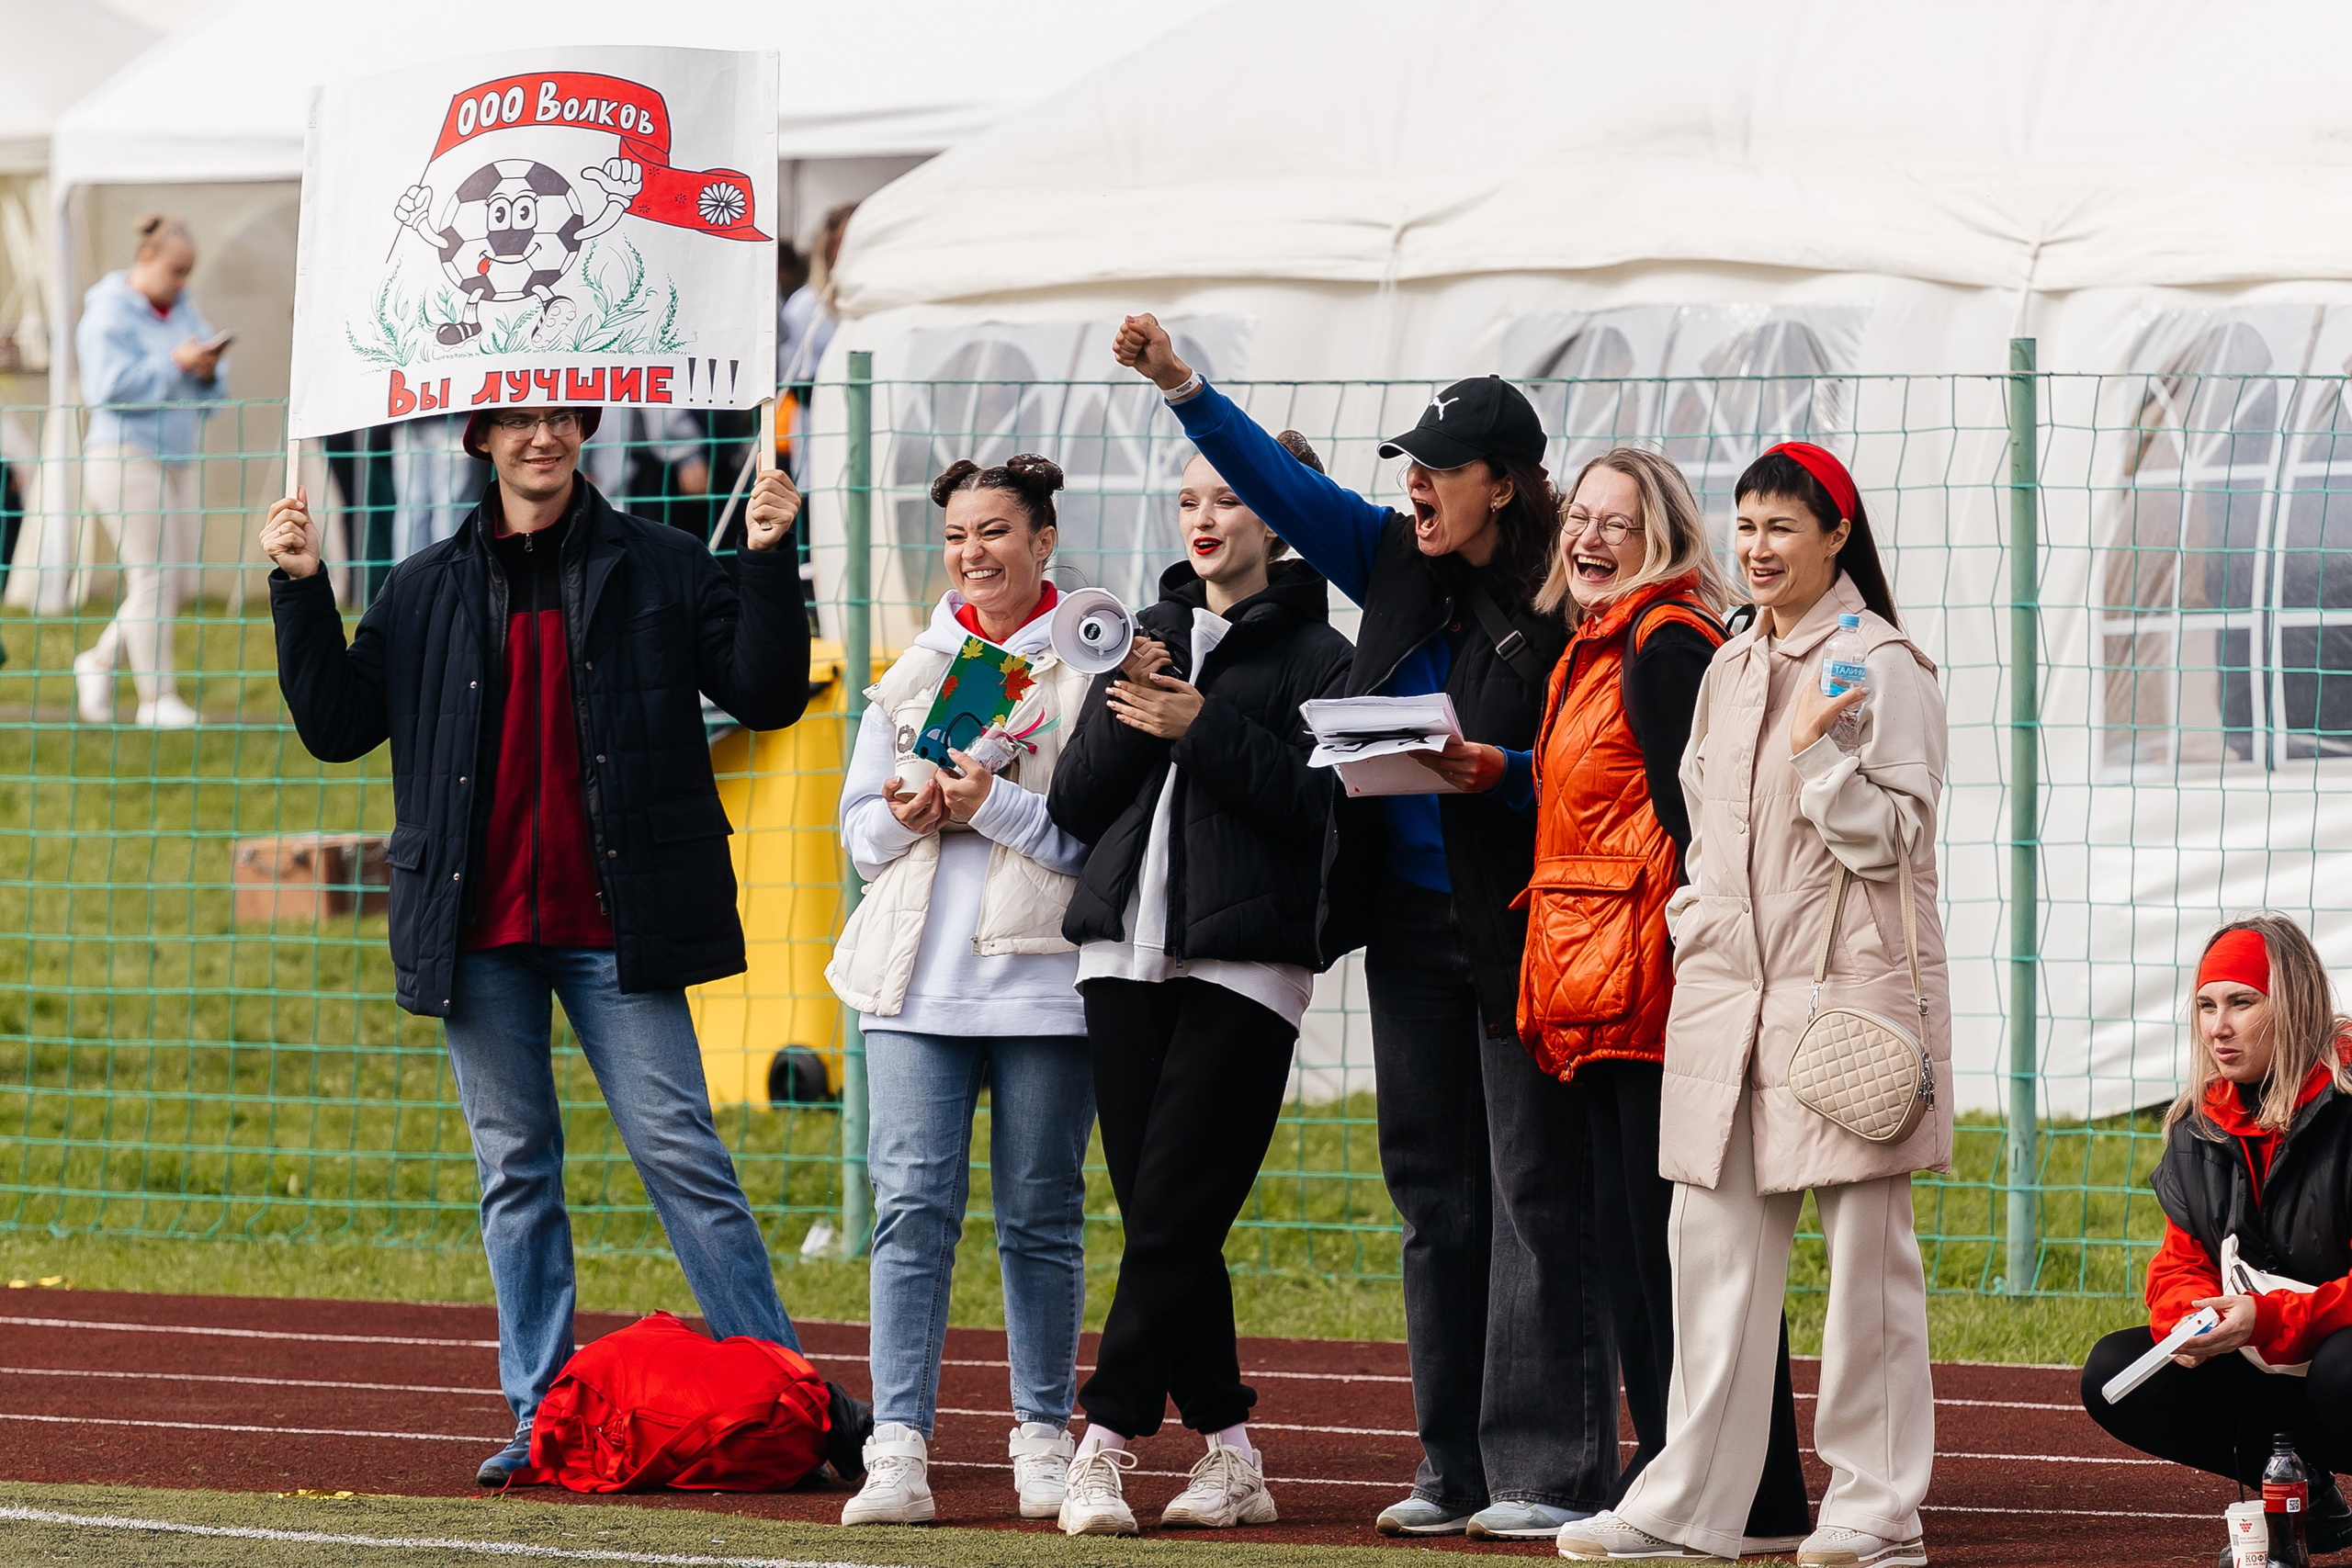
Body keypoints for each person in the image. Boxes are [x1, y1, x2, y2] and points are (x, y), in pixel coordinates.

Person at [257, 407, 830, 1488]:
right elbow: (336, 724)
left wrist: (767, 554)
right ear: (481, 441)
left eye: (562, 419)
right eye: (518, 422)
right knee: (515, 1171)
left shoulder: (662, 565)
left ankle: (784, 1394)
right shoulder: (424, 584)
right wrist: (298, 584)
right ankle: (539, 1416)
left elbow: (765, 692)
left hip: (619, 922)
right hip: (476, 932)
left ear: (583, 432)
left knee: (682, 1155)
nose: (542, 438)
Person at [1114, 314, 1610, 1543]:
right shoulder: (1387, 554)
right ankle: (1451, 1465)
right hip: (1407, 926)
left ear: (1503, 481)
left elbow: (1607, 764)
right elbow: (1285, 484)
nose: (1415, 485)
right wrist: (1186, 386)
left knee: (1534, 1191)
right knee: (1433, 1192)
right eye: (1409, 467)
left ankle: (1549, 1466)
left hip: (1524, 923)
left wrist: (1498, 767)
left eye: (1439, 467)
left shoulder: (1564, 591)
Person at [1563, 442, 1950, 1568]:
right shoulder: (1729, 663)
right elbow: (1699, 823)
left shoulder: (1884, 665)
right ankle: (1689, 1508)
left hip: (1848, 995)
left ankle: (1877, 1511)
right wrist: (1694, 927)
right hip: (1729, 993)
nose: (1759, 547)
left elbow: (1895, 839)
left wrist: (1819, 760)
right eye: (1746, 526)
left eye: (1783, 527)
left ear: (1836, 536)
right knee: (1713, 1255)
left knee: (1868, 1264)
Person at [1044, 435, 1354, 1536]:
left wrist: (1203, 725)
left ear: (1277, 514)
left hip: (1245, 965)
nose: (1205, 518)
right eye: (1188, 500)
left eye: (1228, 497)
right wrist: (1137, 700)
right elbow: (1080, 802)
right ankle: (1231, 1451)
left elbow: (1320, 815)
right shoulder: (1144, 634)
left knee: (1170, 1218)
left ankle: (1104, 1442)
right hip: (1118, 955)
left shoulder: (1323, 653)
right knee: (1164, 1221)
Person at [1520, 447, 1812, 1547]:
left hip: (1658, 997)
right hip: (1606, 993)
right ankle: (1741, 1490)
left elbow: (1709, 832)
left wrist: (1703, 960)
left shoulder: (1662, 646)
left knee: (1674, 1257)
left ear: (1665, 537)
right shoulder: (1595, 647)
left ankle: (1714, 1487)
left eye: (1616, 521)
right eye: (1578, 518)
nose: (1588, 538)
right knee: (1652, 1254)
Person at [823, 454, 1097, 1529]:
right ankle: (900, 1446)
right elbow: (858, 839)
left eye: (995, 532)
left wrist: (990, 807)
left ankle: (1040, 1433)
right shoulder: (914, 669)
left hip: (1042, 982)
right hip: (913, 987)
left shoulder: (1093, 663)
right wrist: (912, 815)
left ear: (1042, 541)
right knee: (911, 1215)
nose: (973, 553)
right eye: (956, 536)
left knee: (1039, 1217)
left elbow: (1096, 841)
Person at [2079, 915, 2352, 1564]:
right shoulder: (2198, 1126)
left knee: (2345, 1371)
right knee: (2114, 1370)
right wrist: (2193, 1316)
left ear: (2292, 1003)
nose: (2217, 1025)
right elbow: (2177, 1265)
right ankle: (2297, 1485)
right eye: (2206, 1004)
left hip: (2333, 1352)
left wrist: (2271, 1315)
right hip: (2268, 1355)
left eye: (2241, 1001)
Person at [72, 213, 227, 728]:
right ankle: (156, 700)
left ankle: (96, 662)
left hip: (177, 456)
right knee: (152, 576)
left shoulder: (183, 309)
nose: (182, 282)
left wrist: (205, 371)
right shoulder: (107, 314)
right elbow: (106, 388)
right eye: (176, 270)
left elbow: (212, 384)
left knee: (174, 580)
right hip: (123, 455)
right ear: (146, 258)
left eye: (188, 273)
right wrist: (175, 364)